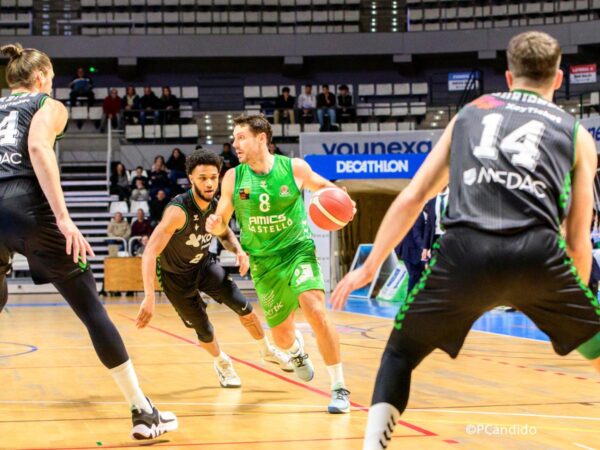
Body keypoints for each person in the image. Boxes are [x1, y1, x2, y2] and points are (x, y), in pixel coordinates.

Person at [330, 31, 600, 450]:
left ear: (509, 77)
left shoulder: (472, 113)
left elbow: (414, 196)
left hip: (464, 254)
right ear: (559, 78)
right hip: (537, 257)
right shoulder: (577, 134)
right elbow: (577, 239)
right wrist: (570, 303)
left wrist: (370, 264)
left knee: (400, 354)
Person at [0, 43, 177, 440]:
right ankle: (142, 412)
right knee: (90, 308)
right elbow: (36, 147)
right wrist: (63, 219)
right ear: (43, 76)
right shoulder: (48, 104)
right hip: (27, 203)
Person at [206, 114, 355, 413]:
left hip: (297, 250)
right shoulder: (234, 177)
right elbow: (222, 217)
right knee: (282, 337)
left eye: (241, 137)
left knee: (314, 309)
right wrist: (216, 224)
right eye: (234, 138)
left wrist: (345, 202)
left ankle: (339, 387)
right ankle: (297, 352)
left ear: (261, 138)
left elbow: (327, 188)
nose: (235, 144)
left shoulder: (294, 168)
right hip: (264, 262)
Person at [136, 150, 292, 388]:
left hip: (204, 265)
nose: (209, 183)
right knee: (205, 329)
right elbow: (149, 252)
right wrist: (149, 296)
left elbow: (225, 232)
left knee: (245, 307)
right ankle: (222, 362)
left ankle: (267, 350)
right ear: (190, 178)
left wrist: (239, 251)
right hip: (176, 278)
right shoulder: (178, 212)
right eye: (202, 178)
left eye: (213, 177)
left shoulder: (216, 206)